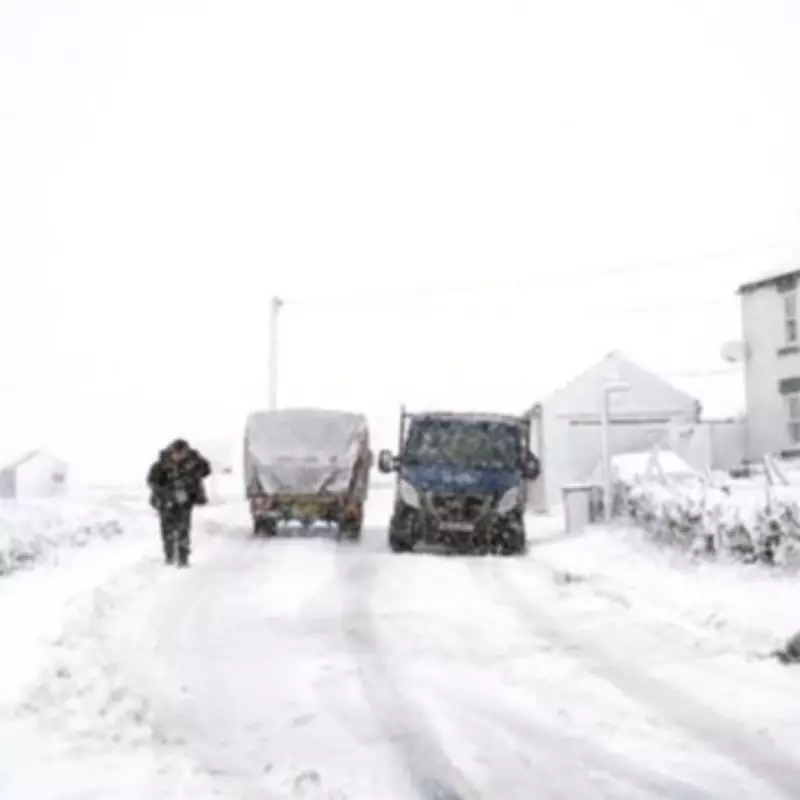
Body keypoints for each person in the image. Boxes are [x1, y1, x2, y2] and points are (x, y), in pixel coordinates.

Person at [146, 438, 211, 567]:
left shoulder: (193, 462)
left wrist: (197, 463)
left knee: (183, 529)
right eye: (176, 453)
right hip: (166, 501)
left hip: (185, 500)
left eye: (182, 453)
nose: (179, 456)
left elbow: (206, 470)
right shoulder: (161, 464)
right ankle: (169, 556)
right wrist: (165, 493)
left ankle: (183, 558)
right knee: (167, 530)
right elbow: (152, 481)